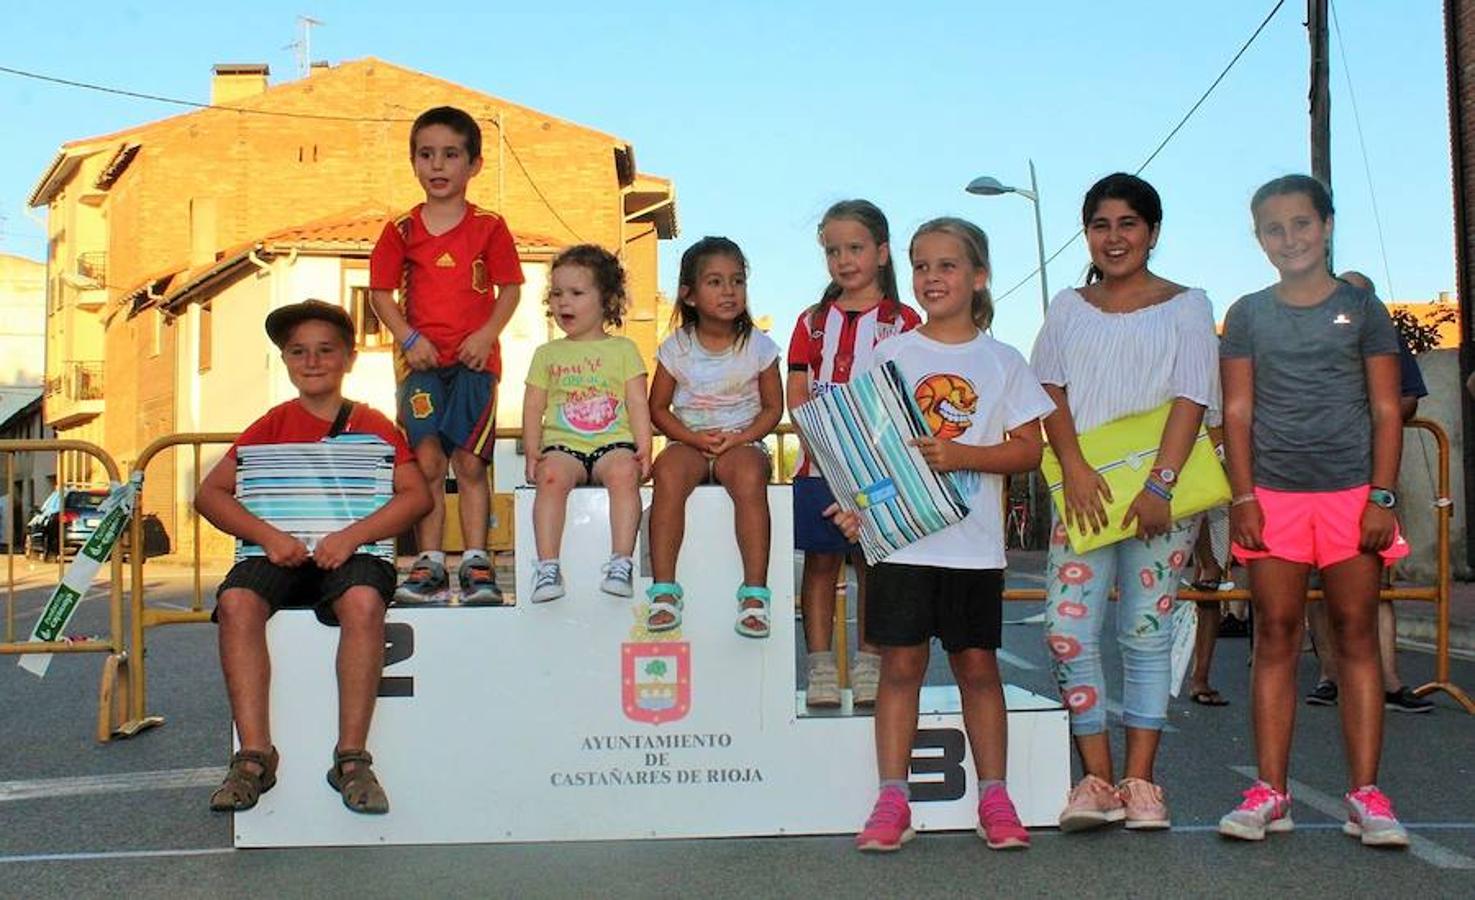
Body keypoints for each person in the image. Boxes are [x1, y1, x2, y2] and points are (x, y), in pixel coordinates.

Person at [834, 217, 1054, 853]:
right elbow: (867, 448)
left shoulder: (1003, 361)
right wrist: (858, 507)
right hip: (902, 543)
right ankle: (891, 799)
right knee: (900, 666)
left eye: (948, 265)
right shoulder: (891, 354)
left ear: (979, 277)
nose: (933, 277)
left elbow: (1028, 453)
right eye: (922, 265)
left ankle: (995, 796)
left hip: (973, 547)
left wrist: (962, 457)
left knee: (977, 667)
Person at [1218, 175, 1411, 847]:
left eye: (1300, 224)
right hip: (1271, 497)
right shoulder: (1245, 314)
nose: (1289, 238)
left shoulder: (1362, 309)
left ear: (1325, 226)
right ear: (1257, 238)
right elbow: (1236, 412)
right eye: (1273, 229)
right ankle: (1269, 792)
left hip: (1351, 495)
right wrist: (1242, 497)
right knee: (1274, 632)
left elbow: (1386, 409)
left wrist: (1380, 496)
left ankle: (1367, 795)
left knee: (1355, 632)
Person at [1031, 173, 1218, 832]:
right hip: (1084, 494)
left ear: (1152, 231)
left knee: (1145, 634)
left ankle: (1141, 784)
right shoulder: (1066, 306)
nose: (1113, 238)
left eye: (1127, 224)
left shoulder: (1188, 304)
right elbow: (1046, 388)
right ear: (1086, 233)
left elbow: (1192, 394)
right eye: (1099, 225)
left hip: (1158, 497)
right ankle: (1096, 780)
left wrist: (1160, 486)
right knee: (1065, 631)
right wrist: (1075, 469)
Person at [198, 300, 432, 815]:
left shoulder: (374, 424)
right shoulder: (270, 424)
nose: (312, 361)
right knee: (237, 601)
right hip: (279, 549)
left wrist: (352, 536)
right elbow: (210, 494)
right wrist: (268, 536)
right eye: (298, 351)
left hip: (353, 550)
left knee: (365, 601)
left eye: (325, 350)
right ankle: (254, 757)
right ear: (284, 360)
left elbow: (416, 496)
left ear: (348, 358)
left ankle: (351, 758)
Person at [368, 106, 524, 606]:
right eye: (426, 154)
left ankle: (478, 562)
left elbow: (510, 290)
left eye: (450, 155)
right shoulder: (400, 231)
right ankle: (429, 566)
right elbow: (380, 295)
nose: (437, 166)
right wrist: (409, 339)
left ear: (474, 165)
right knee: (429, 461)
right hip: (420, 366)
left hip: (476, 366)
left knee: (471, 461)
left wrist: (486, 335)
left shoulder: (489, 227)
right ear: (413, 162)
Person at [787, 200, 921, 708]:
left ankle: (869, 665)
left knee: (872, 564)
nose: (844, 260)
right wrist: (817, 440)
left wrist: (882, 452)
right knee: (820, 565)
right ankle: (820, 668)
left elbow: (910, 393)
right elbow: (796, 390)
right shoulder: (811, 320)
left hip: (881, 466)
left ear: (882, 252)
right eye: (833, 250)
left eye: (856, 248)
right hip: (820, 462)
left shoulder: (906, 321)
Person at [1305, 270, 1433, 714]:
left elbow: (1410, 399)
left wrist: (1361, 415)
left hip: (1369, 477)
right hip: (1310, 477)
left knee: (1374, 576)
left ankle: (1390, 681)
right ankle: (1329, 676)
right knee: (1318, 580)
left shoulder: (1388, 338)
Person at [646, 237, 783, 638]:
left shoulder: (760, 346)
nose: (729, 291)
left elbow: (773, 409)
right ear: (688, 295)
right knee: (666, 472)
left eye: (737, 281)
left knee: (749, 477)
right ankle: (665, 590)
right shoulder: (676, 347)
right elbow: (658, 408)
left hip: (742, 442)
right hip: (688, 442)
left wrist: (742, 436)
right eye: (716, 282)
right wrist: (691, 437)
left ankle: (755, 593)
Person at [521, 245, 651, 602]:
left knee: (625, 474)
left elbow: (637, 400)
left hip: (613, 444)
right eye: (558, 293)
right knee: (550, 478)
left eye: (577, 294)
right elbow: (533, 405)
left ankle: (621, 561)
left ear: (608, 300)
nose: (565, 303)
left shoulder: (624, 350)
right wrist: (533, 451)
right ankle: (548, 566)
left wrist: (644, 445)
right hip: (564, 447)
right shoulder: (546, 354)